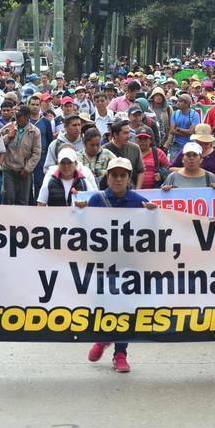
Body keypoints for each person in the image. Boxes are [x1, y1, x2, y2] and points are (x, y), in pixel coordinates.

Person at [82, 157, 158, 373]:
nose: (117, 179)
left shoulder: (139, 201)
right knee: (103, 304)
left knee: (125, 307)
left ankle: (120, 353)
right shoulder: (96, 200)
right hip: (102, 264)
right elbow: (82, 228)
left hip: (129, 266)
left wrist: (153, 215)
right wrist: (79, 210)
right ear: (107, 177)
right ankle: (103, 338)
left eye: (122, 175)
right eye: (113, 175)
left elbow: (155, 232)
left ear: (129, 178)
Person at [1, 105, 42, 205]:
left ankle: (21, 221)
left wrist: (27, 169)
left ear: (28, 117)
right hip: (9, 168)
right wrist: (8, 137)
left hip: (24, 170)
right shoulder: (8, 127)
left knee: (23, 200)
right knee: (8, 197)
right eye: (16, 115)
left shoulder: (34, 131)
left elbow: (37, 153)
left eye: (20, 116)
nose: (17, 118)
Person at [104, 119, 146, 189]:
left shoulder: (135, 148)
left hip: (130, 191)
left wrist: (137, 190)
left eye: (129, 132)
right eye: (125, 133)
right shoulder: (105, 150)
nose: (128, 136)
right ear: (115, 134)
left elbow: (141, 171)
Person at [166, 94, 200, 161]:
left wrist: (179, 129)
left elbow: (192, 132)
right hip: (176, 145)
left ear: (187, 103)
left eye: (180, 101)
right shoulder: (175, 113)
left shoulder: (195, 115)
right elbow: (172, 131)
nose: (178, 103)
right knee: (173, 166)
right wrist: (187, 131)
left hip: (190, 146)